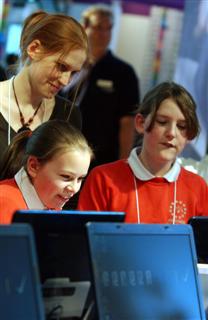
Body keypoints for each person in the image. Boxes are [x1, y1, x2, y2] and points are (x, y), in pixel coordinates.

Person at [78, 81, 208, 224]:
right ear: (140, 123)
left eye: (182, 126)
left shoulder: (197, 187)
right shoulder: (103, 179)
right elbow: (87, 241)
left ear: (189, 135)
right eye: (162, 122)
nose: (171, 133)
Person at [0, 10, 89, 167]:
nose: (66, 81)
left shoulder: (68, 114)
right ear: (34, 48)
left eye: (73, 73)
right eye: (61, 66)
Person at [62, 4, 140, 168]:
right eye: (98, 27)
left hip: (101, 159)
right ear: (85, 28)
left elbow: (128, 122)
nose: (103, 34)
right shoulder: (70, 65)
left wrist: (123, 163)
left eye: (108, 28)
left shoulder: (123, 72)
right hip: (62, 149)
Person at [0, 119, 93, 224]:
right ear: (33, 166)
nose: (74, 188)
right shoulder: (4, 203)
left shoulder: (51, 206)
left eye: (80, 179)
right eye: (66, 177)